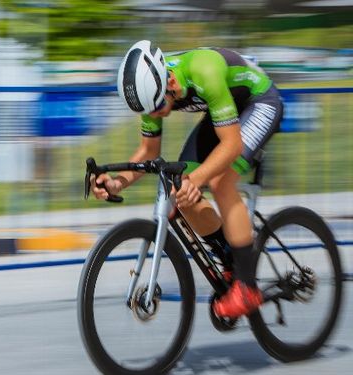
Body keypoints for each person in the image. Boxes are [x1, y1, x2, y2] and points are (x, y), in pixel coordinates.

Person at [92, 40, 283, 319]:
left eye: (158, 107)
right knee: (178, 187)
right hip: (226, 108)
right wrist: (116, 182)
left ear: (169, 81)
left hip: (260, 102)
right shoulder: (152, 91)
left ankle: (247, 287)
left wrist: (199, 179)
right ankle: (230, 257)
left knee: (219, 183)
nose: (155, 115)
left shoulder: (203, 70)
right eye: (149, 111)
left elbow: (231, 146)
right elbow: (148, 152)